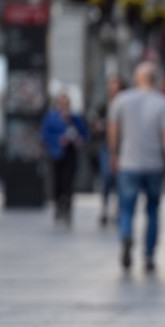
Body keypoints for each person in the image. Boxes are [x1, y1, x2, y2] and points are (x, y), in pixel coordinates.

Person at [108, 61, 165, 273]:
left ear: (136, 78)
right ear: (155, 79)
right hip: (154, 165)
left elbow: (113, 131)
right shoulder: (163, 103)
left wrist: (114, 154)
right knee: (152, 211)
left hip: (128, 163)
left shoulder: (121, 99)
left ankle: (127, 236)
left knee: (126, 208)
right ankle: (149, 255)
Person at [41, 91, 88, 224]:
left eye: (66, 103)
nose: (64, 106)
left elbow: (84, 134)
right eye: (62, 103)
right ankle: (58, 205)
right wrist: (58, 140)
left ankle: (67, 208)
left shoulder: (75, 118)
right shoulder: (51, 118)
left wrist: (78, 139)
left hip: (70, 153)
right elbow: (45, 135)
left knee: (68, 182)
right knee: (57, 181)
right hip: (56, 153)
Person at [90, 76, 125, 226]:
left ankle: (119, 211)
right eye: (110, 88)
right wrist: (98, 127)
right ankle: (104, 209)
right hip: (106, 147)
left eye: (115, 88)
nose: (112, 91)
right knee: (107, 178)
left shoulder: (126, 105)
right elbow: (94, 126)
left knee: (121, 181)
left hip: (124, 148)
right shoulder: (104, 106)